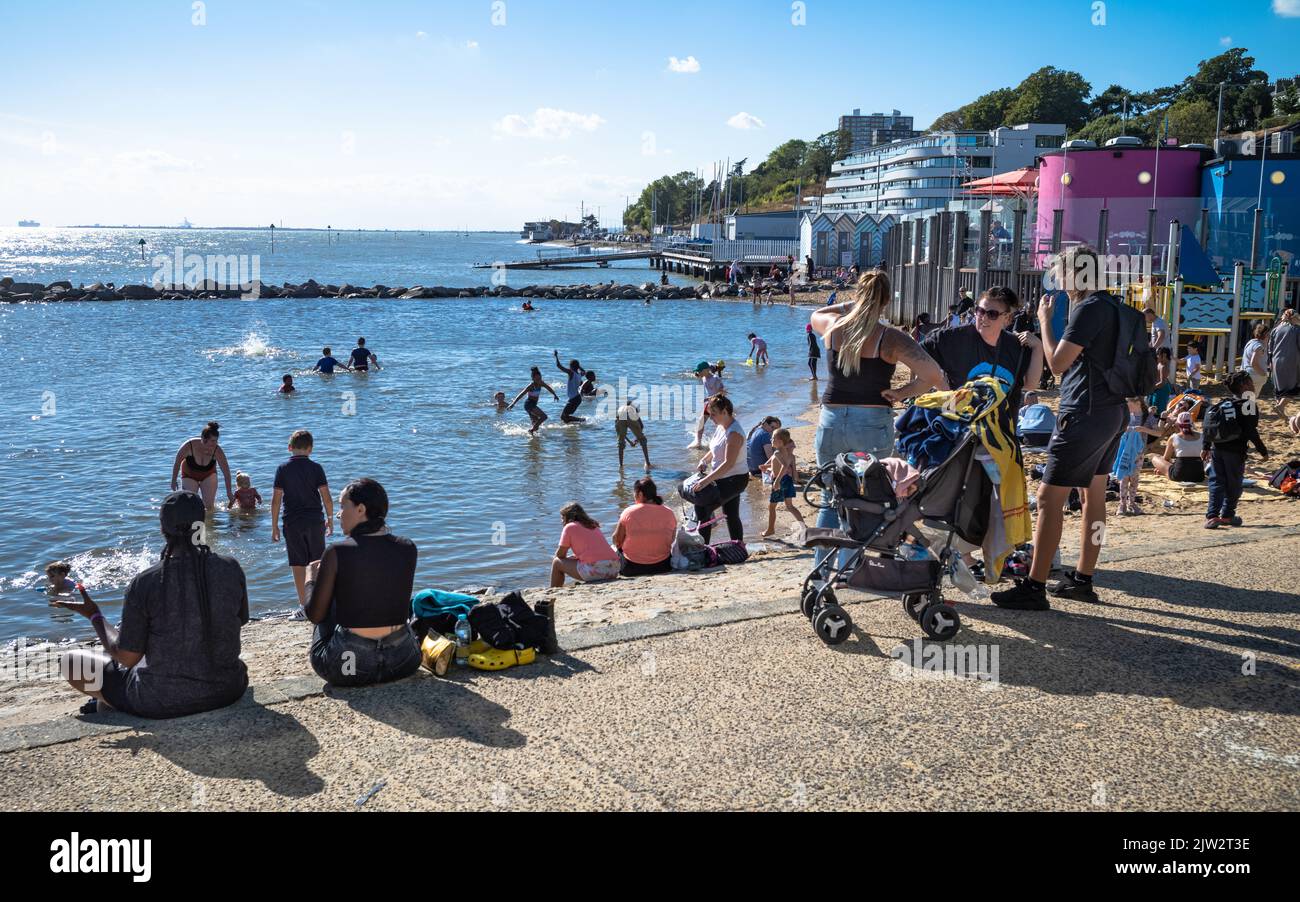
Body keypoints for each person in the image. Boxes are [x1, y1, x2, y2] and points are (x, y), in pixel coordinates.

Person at [992, 245, 1127, 611]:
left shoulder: (1088, 309)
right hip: (1112, 413)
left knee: (1050, 499)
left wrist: (1044, 323)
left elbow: (1056, 365)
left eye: (1060, 272)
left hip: (1083, 414)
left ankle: (1034, 586)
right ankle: (1083, 578)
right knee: (1093, 499)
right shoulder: (1116, 307)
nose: (1056, 278)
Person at [54, 491, 249, 718]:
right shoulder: (230, 567)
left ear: (162, 529)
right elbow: (240, 620)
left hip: (161, 700)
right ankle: (108, 702)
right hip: (228, 689)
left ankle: (109, 702)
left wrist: (95, 616)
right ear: (202, 525)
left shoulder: (145, 582)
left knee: (71, 661)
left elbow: (126, 657)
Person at [810, 271, 944, 563]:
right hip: (871, 422)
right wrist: (902, 392)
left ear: (858, 295)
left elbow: (816, 313)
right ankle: (849, 569)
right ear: (885, 301)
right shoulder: (890, 337)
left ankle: (821, 571)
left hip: (832, 419)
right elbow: (934, 376)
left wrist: (851, 306)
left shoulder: (833, 327)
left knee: (830, 499)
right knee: (867, 500)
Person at [303, 478, 420, 687]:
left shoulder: (337, 551)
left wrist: (311, 579)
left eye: (342, 506)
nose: (339, 514)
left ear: (360, 509)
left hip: (348, 666)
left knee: (327, 601)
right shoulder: (408, 547)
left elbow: (314, 615)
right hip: (403, 660)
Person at [920, 285, 1043, 424]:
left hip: (1001, 433)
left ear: (1007, 318)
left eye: (992, 314)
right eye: (980, 311)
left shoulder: (1017, 346)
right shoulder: (956, 338)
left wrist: (1038, 347)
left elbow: (1030, 384)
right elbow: (919, 353)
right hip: (960, 430)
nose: (984, 318)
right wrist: (942, 386)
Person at [271, 430, 333, 606]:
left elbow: (276, 501)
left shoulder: (282, 469)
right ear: (310, 449)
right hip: (315, 521)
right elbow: (326, 497)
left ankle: (303, 606)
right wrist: (330, 518)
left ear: (290, 447)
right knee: (318, 562)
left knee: (298, 565)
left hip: (292, 522)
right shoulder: (316, 468)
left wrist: (274, 525)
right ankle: (321, 603)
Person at [1204, 371, 1269, 529]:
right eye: (1251, 383)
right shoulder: (1248, 404)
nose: (1253, 386)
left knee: (1217, 481)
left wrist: (1205, 447)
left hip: (1216, 449)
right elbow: (1250, 431)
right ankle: (1227, 515)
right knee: (1234, 484)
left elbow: (1209, 426)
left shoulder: (1224, 403)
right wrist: (1262, 450)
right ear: (1244, 386)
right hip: (1235, 451)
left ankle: (1212, 516)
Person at [691, 396, 751, 543]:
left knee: (703, 507)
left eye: (713, 414)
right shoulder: (720, 427)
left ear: (725, 412)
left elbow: (728, 463)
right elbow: (715, 449)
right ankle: (738, 545)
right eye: (710, 414)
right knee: (730, 513)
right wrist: (705, 460)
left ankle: (704, 549)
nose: (711, 418)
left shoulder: (734, 433)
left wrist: (705, 481)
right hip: (723, 477)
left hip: (735, 479)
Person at [612, 478, 677, 576]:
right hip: (663, 565)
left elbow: (617, 540)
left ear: (640, 494)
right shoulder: (669, 513)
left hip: (631, 567)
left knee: (614, 547)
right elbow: (671, 540)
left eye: (634, 493)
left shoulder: (628, 512)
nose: (634, 497)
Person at [1112, 398, 1162, 515]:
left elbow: (1159, 433)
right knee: (1124, 477)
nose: (1126, 406)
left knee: (1134, 478)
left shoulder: (1148, 417)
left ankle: (1132, 503)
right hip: (1124, 451)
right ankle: (1122, 504)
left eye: (1128, 403)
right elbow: (1117, 430)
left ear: (1137, 403)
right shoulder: (1126, 416)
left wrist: (1143, 429)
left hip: (1139, 454)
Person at [170, 421, 233, 512]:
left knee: (209, 507)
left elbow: (226, 472)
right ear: (203, 439)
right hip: (189, 475)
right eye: (212, 441)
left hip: (208, 475)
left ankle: (208, 525)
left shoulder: (217, 450)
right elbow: (177, 462)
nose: (215, 444)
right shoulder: (189, 445)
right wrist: (173, 480)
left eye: (216, 441)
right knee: (191, 504)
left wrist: (229, 492)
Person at [551, 503, 620, 586]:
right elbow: (594, 551)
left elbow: (560, 555)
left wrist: (557, 557)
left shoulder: (569, 527)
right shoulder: (593, 525)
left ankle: (554, 590)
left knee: (556, 562)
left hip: (596, 570)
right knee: (574, 559)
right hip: (614, 568)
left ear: (568, 517)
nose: (561, 522)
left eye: (562, 518)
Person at [760, 428, 806, 538]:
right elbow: (793, 472)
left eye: (773, 438)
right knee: (790, 506)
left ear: (780, 442)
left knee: (772, 507)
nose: (771, 439)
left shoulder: (776, 453)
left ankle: (770, 529)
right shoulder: (791, 455)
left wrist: (777, 481)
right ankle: (804, 527)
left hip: (780, 481)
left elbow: (784, 466)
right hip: (788, 481)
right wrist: (796, 479)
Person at [1148, 412, 1205, 483]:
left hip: (1179, 475)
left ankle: (1164, 471)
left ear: (1178, 424)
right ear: (1192, 423)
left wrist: (1162, 468)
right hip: (1199, 476)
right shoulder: (1202, 436)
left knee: (1155, 458)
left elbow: (1166, 458)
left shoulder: (1174, 437)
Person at [508, 367, 561, 435]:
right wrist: (513, 403)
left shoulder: (541, 383)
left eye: (540, 378)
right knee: (544, 417)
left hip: (533, 405)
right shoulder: (531, 386)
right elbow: (521, 394)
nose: (539, 380)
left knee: (535, 424)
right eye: (537, 379)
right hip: (529, 404)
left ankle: (533, 438)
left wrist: (554, 394)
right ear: (533, 379)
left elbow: (549, 388)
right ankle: (531, 430)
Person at [1267, 309, 1299, 415]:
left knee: (1279, 388)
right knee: (1292, 388)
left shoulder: (1275, 330)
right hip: (1291, 361)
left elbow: (1270, 348)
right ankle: (1280, 406)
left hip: (1276, 360)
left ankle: (1281, 410)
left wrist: (1270, 361)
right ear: (1292, 318)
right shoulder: (1296, 330)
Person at [690, 361, 727, 448]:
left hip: (718, 404)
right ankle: (698, 443)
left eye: (700, 371)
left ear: (706, 370)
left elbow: (722, 392)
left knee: (719, 425)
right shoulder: (703, 378)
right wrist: (708, 399)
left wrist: (709, 398)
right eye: (698, 371)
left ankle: (722, 441)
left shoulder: (715, 379)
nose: (698, 372)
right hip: (709, 403)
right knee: (700, 422)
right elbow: (698, 374)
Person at [616, 401, 651, 470]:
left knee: (620, 443)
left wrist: (630, 442)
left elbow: (619, 432)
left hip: (620, 415)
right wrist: (638, 439)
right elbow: (641, 426)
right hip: (630, 415)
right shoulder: (632, 408)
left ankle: (621, 465)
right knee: (643, 440)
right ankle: (647, 463)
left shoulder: (620, 408)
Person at [553, 350, 586, 423]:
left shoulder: (571, 373)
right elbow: (584, 371)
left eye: (570, 366)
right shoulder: (579, 375)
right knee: (566, 418)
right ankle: (571, 429)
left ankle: (581, 420)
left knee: (563, 416)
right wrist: (578, 366)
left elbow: (559, 366)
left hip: (574, 399)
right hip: (577, 399)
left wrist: (556, 356)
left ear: (571, 367)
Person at [1242, 322, 1270, 393]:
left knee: (1245, 398)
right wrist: (1263, 374)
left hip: (1245, 374)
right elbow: (1253, 363)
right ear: (1266, 335)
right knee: (1251, 399)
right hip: (1254, 376)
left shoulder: (1251, 342)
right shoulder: (1259, 347)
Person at [1149, 347, 1174, 417]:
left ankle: (1159, 424)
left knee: (1158, 410)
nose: (1157, 356)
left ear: (1164, 355)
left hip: (1162, 390)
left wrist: (1152, 388)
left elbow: (1162, 382)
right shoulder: (1159, 363)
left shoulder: (1164, 366)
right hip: (1156, 388)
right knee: (1152, 406)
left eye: (1158, 354)